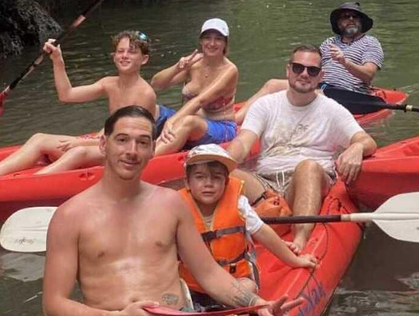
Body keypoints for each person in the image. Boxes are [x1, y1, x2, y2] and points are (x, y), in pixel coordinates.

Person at [42, 105, 301, 316]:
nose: (132, 151)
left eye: (143, 142)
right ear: (102, 144)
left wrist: (258, 303)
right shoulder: (70, 216)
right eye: (122, 140)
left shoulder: (170, 204)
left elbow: (209, 274)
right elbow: (54, 303)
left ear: (153, 149)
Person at [227, 45, 377, 252]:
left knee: (307, 167)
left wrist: (357, 147)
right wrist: (222, 160)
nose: (304, 74)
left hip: (308, 178)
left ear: (320, 77)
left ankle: (300, 239)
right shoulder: (266, 105)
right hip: (266, 184)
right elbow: (243, 142)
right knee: (222, 172)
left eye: (312, 71)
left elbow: (367, 140)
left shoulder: (332, 109)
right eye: (298, 68)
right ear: (288, 70)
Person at [0, 31, 157, 179]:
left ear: (144, 59)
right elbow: (66, 95)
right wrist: (57, 60)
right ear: (114, 56)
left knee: (78, 152)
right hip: (104, 142)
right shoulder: (109, 83)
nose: (124, 55)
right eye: (120, 51)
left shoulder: (145, 93)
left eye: (132, 52)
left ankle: (26, 183)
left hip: (124, 151)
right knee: (39, 138)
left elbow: (129, 139)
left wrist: (81, 143)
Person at [178, 144, 318, 309]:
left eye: (216, 177)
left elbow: (264, 233)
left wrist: (294, 260)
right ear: (187, 182)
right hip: (193, 285)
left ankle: (227, 309)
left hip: (236, 280)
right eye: (200, 177)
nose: (208, 183)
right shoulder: (177, 207)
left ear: (226, 181)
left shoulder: (239, 203)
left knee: (248, 286)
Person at [234, 2, 383, 124]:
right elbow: (313, 69)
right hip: (319, 86)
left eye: (355, 16)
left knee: (288, 89)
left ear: (361, 22)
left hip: (346, 94)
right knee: (273, 84)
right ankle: (235, 122)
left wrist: (345, 62)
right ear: (338, 24)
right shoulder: (329, 43)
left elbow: (368, 75)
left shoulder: (370, 43)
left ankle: (242, 123)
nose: (351, 19)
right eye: (345, 17)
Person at [152, 18, 238, 154]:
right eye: (207, 38)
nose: (212, 43)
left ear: (225, 43)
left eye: (218, 39)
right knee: (151, 109)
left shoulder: (229, 70)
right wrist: (177, 68)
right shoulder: (195, 61)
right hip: (190, 119)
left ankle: (145, 161)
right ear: (201, 41)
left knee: (188, 122)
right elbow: (156, 85)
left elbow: (200, 100)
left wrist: (172, 121)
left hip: (221, 128)